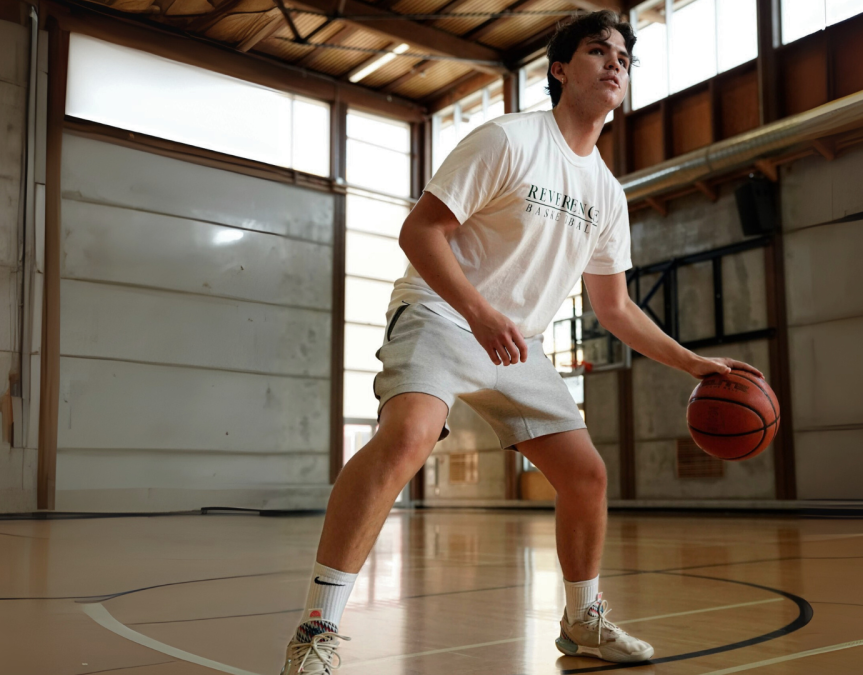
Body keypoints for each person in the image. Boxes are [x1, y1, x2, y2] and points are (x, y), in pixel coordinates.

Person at [280, 10, 762, 674]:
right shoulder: (507, 140)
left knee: (585, 474)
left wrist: (692, 362)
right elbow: (419, 233)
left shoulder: (607, 194)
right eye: (599, 51)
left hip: (516, 341)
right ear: (560, 70)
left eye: (625, 56)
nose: (616, 63)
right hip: (443, 313)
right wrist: (477, 311)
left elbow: (614, 308)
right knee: (409, 435)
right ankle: (317, 628)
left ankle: (582, 621)